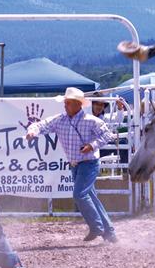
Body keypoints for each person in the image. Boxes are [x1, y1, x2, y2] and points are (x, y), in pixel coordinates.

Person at [26, 87, 118, 243]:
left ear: (77, 104)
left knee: (79, 194)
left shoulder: (91, 121)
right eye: (65, 103)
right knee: (90, 196)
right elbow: (41, 125)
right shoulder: (60, 120)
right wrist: (32, 131)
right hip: (75, 164)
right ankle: (109, 232)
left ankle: (97, 227)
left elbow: (107, 135)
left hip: (89, 163)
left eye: (68, 103)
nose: (65, 105)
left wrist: (92, 145)